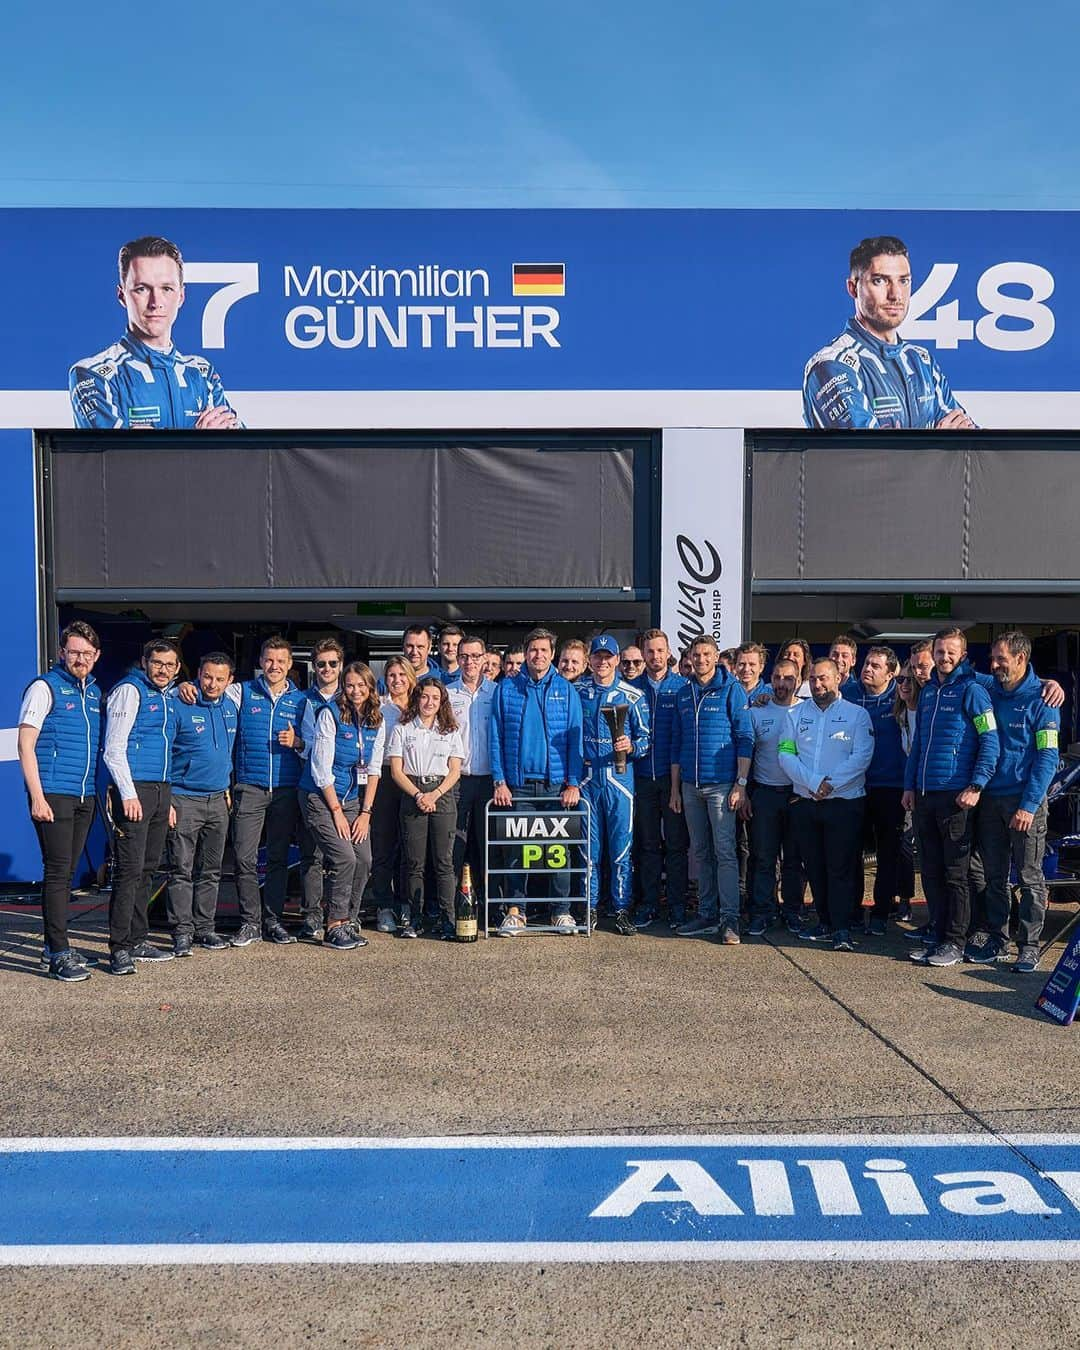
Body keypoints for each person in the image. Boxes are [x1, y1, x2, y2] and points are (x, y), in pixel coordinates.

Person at [176, 635, 304, 946]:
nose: (274, 666)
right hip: (249, 787)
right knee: (245, 858)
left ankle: (273, 921)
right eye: (269, 660)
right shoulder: (240, 692)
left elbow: (316, 743)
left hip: (286, 789)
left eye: (281, 661)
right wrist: (184, 685)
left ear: (289, 665)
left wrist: (298, 743)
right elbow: (212, 693)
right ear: (260, 662)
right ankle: (250, 923)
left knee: (277, 858)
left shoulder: (301, 701)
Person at [803, 235, 975, 430]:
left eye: (904, 281)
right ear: (853, 288)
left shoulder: (921, 361)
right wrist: (939, 446)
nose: (895, 294)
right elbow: (867, 455)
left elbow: (970, 444)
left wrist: (942, 446)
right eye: (879, 281)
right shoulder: (833, 365)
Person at [902, 628, 1001, 968]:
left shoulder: (972, 690)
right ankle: (939, 934)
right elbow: (918, 747)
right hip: (925, 796)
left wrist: (976, 785)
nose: (943, 658)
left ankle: (956, 943)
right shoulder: (928, 692)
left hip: (956, 798)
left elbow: (990, 741)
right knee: (929, 871)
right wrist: (909, 787)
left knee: (955, 874)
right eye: (939, 652)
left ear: (961, 654)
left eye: (949, 653)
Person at [70, 235, 239, 430]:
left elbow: (243, 453)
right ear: (122, 295)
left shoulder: (201, 373)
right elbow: (117, 460)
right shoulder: (94, 375)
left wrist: (153, 445)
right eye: (142, 289)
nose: (155, 302)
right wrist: (201, 441)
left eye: (166, 288)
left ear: (181, 296)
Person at [966, 632, 1060, 973]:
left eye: (1001, 659)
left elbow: (1048, 758)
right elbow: (962, 673)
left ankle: (1029, 945)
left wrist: (1029, 805)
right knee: (994, 876)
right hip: (990, 799)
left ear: (1021, 659)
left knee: (1029, 876)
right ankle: (997, 938)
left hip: (1025, 804)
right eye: (992, 659)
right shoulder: (988, 688)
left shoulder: (1044, 701)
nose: (994, 665)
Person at [17, 620, 103, 981]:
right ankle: (59, 954)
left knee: (67, 874)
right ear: (61, 653)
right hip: (53, 793)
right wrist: (37, 797)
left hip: (84, 794)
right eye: (74, 652)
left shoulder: (95, 693)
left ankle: (53, 947)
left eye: (86, 653)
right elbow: (24, 743)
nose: (80, 658)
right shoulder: (44, 687)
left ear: (97, 656)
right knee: (56, 874)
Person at [490, 627, 584, 934]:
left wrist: (573, 783)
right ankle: (517, 912)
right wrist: (499, 781)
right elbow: (495, 737)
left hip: (556, 787)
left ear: (552, 654)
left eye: (544, 650)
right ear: (526, 653)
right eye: (533, 650)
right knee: (519, 849)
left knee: (558, 851)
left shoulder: (566, 690)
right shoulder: (506, 689)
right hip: (517, 787)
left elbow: (575, 740)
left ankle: (561, 912)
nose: (538, 655)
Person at [779, 658, 874, 952]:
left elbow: (862, 757)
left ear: (838, 679)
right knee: (814, 866)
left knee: (841, 867)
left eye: (824, 679)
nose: (818, 685)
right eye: (814, 679)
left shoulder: (857, 715)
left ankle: (843, 928)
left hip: (844, 803)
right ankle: (824, 921)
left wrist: (829, 784)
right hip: (806, 803)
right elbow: (786, 754)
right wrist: (813, 782)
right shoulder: (794, 715)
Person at [102, 639, 182, 974]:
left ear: (177, 668)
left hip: (161, 791)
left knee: (148, 869)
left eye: (169, 665)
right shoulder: (130, 691)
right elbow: (113, 749)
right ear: (144, 662)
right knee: (129, 871)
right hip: (133, 792)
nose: (162, 670)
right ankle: (119, 947)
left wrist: (169, 799)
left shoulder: (168, 697)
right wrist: (128, 793)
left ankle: (138, 939)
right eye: (157, 663)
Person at [669, 635, 753, 945]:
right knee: (701, 853)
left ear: (716, 656)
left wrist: (740, 785)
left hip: (722, 787)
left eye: (707, 654)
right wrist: (675, 790)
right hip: (691, 786)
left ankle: (729, 918)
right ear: (689, 657)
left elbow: (746, 738)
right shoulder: (683, 692)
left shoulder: (731, 689)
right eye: (696, 654)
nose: (701, 659)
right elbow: (677, 744)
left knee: (725, 853)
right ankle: (706, 914)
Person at [297, 662, 384, 950]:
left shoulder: (376, 720)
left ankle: (350, 920)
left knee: (364, 859)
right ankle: (334, 924)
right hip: (321, 798)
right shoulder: (329, 715)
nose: (356, 690)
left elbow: (373, 770)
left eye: (362, 685)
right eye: (350, 685)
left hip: (353, 801)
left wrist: (365, 814)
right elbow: (320, 770)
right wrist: (336, 813)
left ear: (370, 687)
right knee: (345, 857)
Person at [165, 653, 238, 956]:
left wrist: (227, 787)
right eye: (207, 676)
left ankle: (205, 929)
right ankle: (182, 932)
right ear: (197, 673)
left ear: (229, 681)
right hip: (184, 799)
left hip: (218, 800)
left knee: (211, 870)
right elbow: (165, 753)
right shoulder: (179, 704)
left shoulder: (232, 708)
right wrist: (167, 799)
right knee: (181, 869)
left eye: (220, 679)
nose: (212, 684)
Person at [577, 636, 650, 935]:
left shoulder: (632, 696)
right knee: (588, 850)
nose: (602, 662)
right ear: (589, 660)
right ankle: (589, 908)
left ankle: (621, 909)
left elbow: (646, 741)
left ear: (617, 660)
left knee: (621, 849)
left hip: (619, 780)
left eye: (608, 657)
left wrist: (631, 745)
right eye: (597, 656)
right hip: (587, 780)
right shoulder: (577, 691)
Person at [388, 678, 464, 940]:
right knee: (414, 863)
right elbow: (397, 771)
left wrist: (435, 794)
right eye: (424, 696)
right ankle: (415, 919)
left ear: (442, 701)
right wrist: (420, 794)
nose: (429, 702)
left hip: (442, 793)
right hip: (413, 793)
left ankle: (448, 920)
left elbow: (455, 770)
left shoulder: (450, 730)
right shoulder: (402, 728)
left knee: (444, 862)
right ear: (417, 698)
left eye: (435, 697)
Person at [631, 628, 690, 930]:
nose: (655, 656)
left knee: (677, 845)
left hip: (673, 778)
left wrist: (677, 787)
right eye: (649, 651)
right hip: (641, 777)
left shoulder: (683, 687)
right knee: (648, 845)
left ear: (669, 652)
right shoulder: (631, 688)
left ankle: (678, 905)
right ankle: (649, 903)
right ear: (642, 654)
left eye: (659, 651)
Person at [743, 657, 804, 936]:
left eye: (788, 678)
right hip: (765, 794)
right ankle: (763, 912)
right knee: (763, 858)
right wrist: (743, 790)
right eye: (778, 678)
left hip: (797, 796)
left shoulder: (807, 712)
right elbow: (746, 755)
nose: (782, 684)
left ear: (798, 681)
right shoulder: (757, 712)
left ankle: (792, 911)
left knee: (794, 859)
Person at [851, 645, 907, 935]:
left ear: (890, 673)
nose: (868, 669)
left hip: (891, 788)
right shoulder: (849, 694)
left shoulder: (900, 696)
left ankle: (882, 912)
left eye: (875, 665)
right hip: (856, 787)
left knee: (887, 855)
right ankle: (853, 910)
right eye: (866, 663)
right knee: (853, 853)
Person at [295, 636, 346, 940]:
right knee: (311, 855)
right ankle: (312, 915)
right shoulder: (306, 700)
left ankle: (341, 914)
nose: (327, 668)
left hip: (346, 788)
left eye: (332, 663)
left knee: (343, 853)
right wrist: (304, 745)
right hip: (313, 785)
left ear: (341, 665)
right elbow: (305, 746)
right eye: (321, 664)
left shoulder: (352, 695)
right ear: (314, 667)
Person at [448, 636, 497, 923]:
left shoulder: (497, 692)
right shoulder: (447, 692)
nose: (469, 662)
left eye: (475, 656)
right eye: (464, 656)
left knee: (487, 845)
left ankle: (489, 908)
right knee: (455, 845)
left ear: (484, 659)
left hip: (489, 781)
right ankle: (456, 906)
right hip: (458, 780)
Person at [371, 656, 417, 934]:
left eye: (402, 674)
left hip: (413, 779)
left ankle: (407, 905)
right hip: (386, 778)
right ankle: (384, 906)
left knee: (410, 848)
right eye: (392, 675)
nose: (397, 680)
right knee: (384, 846)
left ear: (411, 678)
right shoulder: (378, 706)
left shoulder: (421, 706)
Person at [893, 663, 920, 920]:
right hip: (906, 788)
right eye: (900, 680)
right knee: (900, 843)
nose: (905, 685)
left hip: (926, 789)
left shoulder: (925, 711)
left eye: (910, 681)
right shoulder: (900, 714)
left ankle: (906, 901)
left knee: (906, 846)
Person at [829, 635, 862, 701]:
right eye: (835, 654)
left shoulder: (858, 691)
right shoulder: (818, 685)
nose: (838, 659)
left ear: (853, 661)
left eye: (844, 656)